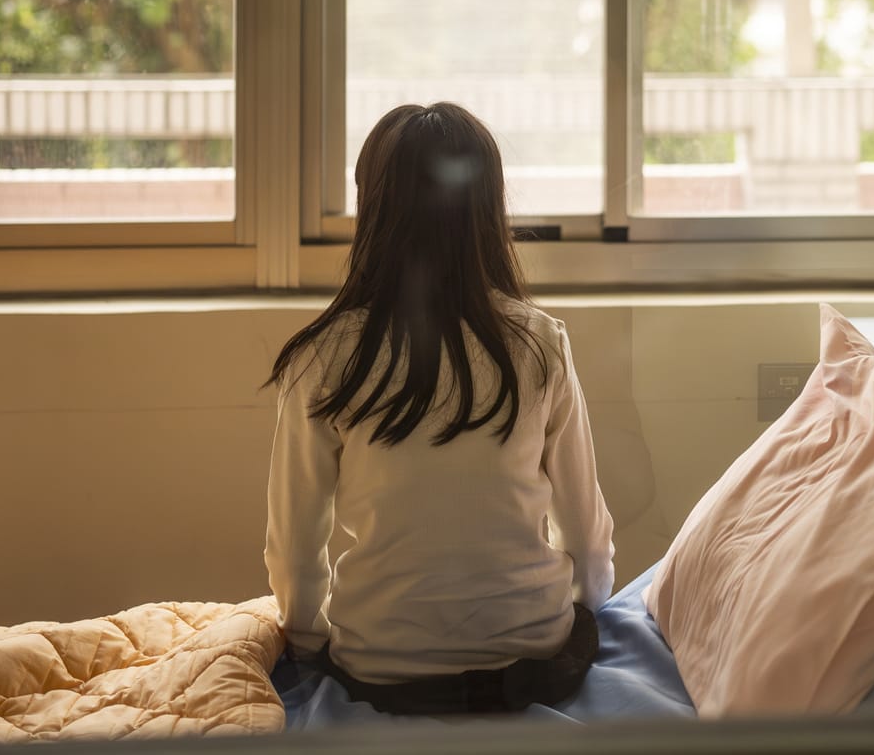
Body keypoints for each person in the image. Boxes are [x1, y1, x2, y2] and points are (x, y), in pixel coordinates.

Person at [264, 102, 616, 716]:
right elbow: (586, 538)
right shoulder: (540, 343)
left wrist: (306, 643)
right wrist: (586, 609)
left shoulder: (320, 357)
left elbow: (294, 550)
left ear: (374, 208)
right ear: (489, 209)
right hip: (534, 662)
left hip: (379, 669)